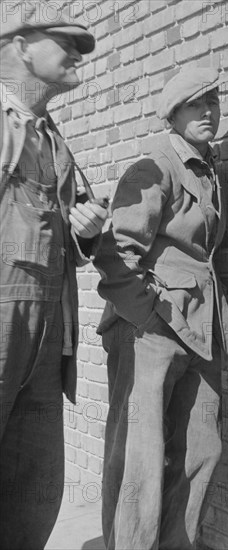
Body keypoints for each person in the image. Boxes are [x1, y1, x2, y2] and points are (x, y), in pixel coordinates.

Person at [94, 67, 228, 550]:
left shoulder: (207, 168)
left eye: (214, 102)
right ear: (173, 114)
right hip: (150, 332)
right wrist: (148, 318)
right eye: (197, 105)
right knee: (141, 461)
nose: (209, 112)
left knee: (200, 451)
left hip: (198, 329)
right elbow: (116, 254)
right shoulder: (155, 167)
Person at [0, 2, 107, 548]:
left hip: (48, 322)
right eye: (63, 43)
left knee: (34, 476)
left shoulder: (52, 136)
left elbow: (60, 235)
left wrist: (85, 230)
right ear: (20, 46)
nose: (76, 54)